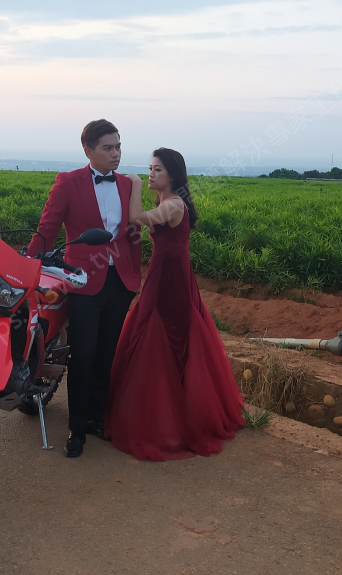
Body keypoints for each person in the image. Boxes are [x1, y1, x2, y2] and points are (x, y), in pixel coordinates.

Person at [105, 148, 245, 461]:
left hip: (171, 276)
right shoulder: (167, 202)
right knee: (156, 330)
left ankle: (171, 417)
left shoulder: (173, 204)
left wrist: (134, 184)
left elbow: (137, 220)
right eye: (149, 169)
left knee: (165, 333)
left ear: (172, 175)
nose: (151, 174)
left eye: (157, 170)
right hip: (165, 271)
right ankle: (164, 406)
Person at [27, 119, 142, 458]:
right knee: (84, 354)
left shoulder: (127, 184)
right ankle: (76, 429)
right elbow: (48, 227)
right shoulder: (68, 182)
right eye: (108, 147)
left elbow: (133, 232)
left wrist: (134, 273)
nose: (116, 153)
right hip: (82, 281)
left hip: (120, 282)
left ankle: (96, 419)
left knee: (107, 353)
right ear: (88, 150)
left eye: (118, 146)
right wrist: (28, 265)